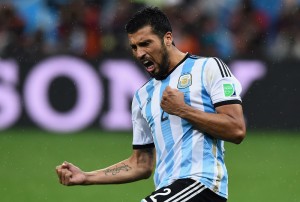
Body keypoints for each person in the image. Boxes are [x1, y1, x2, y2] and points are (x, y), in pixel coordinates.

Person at [56, 6, 246, 202]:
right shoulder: (142, 96)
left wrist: (184, 110)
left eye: (146, 43)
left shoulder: (208, 68)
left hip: (202, 186)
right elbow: (141, 164)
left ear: (168, 38)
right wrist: (86, 177)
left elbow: (236, 129)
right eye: (134, 47)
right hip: (169, 190)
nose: (140, 53)